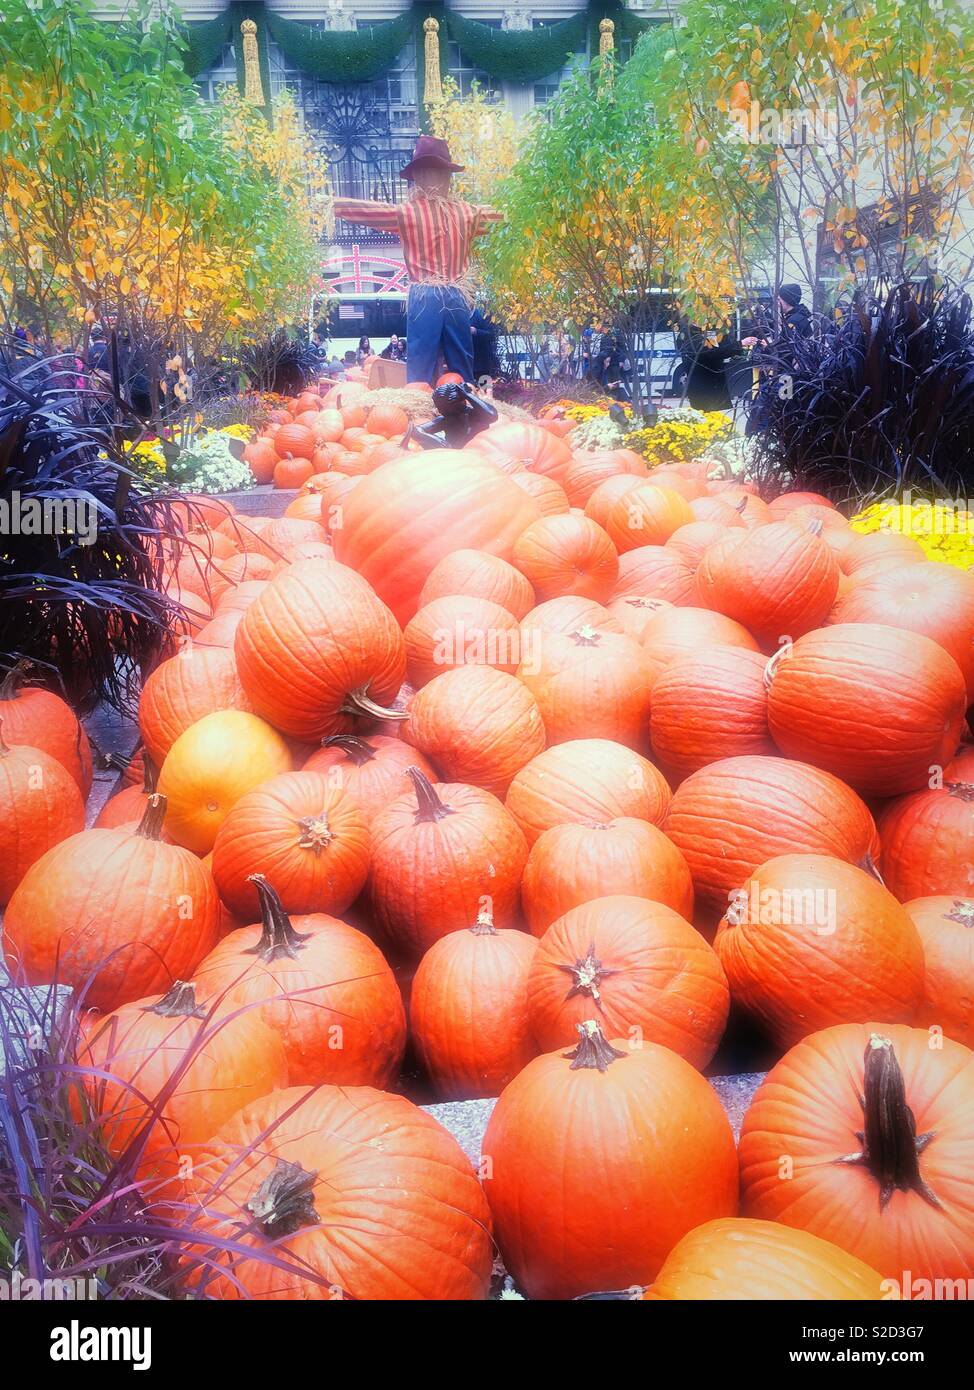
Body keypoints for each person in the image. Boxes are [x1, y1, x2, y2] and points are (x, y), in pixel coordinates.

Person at [332, 136, 501, 385]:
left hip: (424, 294)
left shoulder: (407, 212)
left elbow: (372, 211)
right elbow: (500, 215)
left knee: (421, 361)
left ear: (417, 177)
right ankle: (463, 405)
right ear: (448, 177)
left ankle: (421, 404)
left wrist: (334, 206)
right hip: (456, 293)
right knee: (461, 361)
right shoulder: (467, 212)